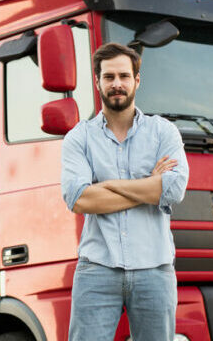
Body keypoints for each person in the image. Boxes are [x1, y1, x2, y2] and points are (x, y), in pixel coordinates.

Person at [61, 42, 189, 341]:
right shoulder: (78, 138)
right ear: (97, 82)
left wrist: (106, 187)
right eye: (109, 77)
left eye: (123, 76)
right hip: (97, 269)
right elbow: (79, 198)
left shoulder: (163, 132)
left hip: (154, 269)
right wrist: (147, 184)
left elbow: (174, 189)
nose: (116, 84)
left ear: (137, 80)